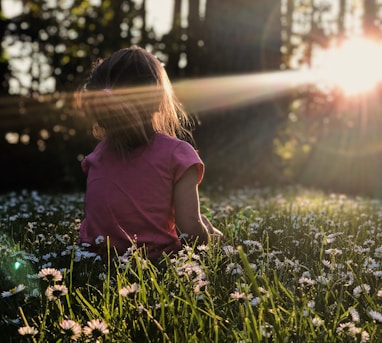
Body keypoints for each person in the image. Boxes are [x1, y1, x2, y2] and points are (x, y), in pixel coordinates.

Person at [77, 46, 223, 260]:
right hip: (154, 261)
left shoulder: (97, 155)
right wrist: (213, 241)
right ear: (157, 99)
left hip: (96, 258)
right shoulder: (178, 154)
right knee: (204, 224)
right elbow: (189, 230)